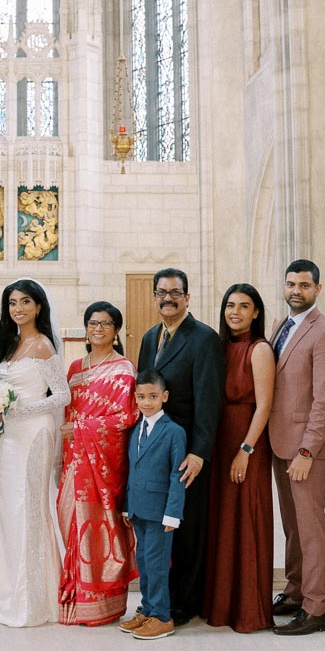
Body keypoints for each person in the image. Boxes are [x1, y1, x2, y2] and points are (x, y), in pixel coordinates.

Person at [135, 267, 224, 624]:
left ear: (188, 297)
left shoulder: (203, 338)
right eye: (161, 292)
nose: (167, 298)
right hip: (155, 446)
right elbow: (143, 391)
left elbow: (209, 400)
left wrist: (200, 452)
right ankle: (158, 599)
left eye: (175, 292)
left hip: (187, 450)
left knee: (186, 527)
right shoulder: (149, 337)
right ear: (154, 296)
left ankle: (185, 603)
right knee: (159, 526)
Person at [0, 279, 70, 628]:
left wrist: (22, 410)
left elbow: (62, 395)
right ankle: (5, 595)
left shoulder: (43, 345)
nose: (18, 309)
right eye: (12, 303)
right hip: (9, 438)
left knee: (27, 507)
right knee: (6, 509)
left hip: (34, 434)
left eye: (25, 302)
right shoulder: (10, 345)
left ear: (38, 307)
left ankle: (33, 599)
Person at [267, 259, 325, 637]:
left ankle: (317, 609)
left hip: (303, 451)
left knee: (312, 528)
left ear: (318, 289)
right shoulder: (282, 326)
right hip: (280, 443)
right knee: (293, 527)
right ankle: (296, 591)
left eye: (304, 285)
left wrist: (307, 451)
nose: (296, 291)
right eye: (290, 284)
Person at [57, 301, 140, 626]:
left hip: (103, 463)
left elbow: (125, 417)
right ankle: (76, 598)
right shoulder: (75, 367)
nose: (98, 329)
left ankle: (104, 603)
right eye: (93, 323)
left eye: (106, 324)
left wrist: (81, 429)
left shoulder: (123, 369)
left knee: (102, 529)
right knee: (72, 524)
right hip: (73, 461)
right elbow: (67, 411)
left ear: (116, 329)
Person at [202, 283, 276, 632]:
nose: (235, 312)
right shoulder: (219, 346)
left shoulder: (259, 349)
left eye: (244, 306)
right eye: (230, 305)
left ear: (256, 312)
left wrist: (245, 450)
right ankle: (221, 605)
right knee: (223, 522)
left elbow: (264, 405)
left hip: (247, 443)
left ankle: (248, 608)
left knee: (246, 519)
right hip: (219, 441)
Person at [118, 371, 186, 641]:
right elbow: (131, 471)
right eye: (142, 397)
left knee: (157, 564)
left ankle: (161, 616)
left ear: (164, 397)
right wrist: (126, 506)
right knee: (144, 562)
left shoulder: (174, 432)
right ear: (135, 398)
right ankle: (147, 610)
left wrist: (173, 513)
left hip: (161, 513)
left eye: (153, 396)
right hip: (138, 509)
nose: (147, 402)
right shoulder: (136, 430)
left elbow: (177, 475)